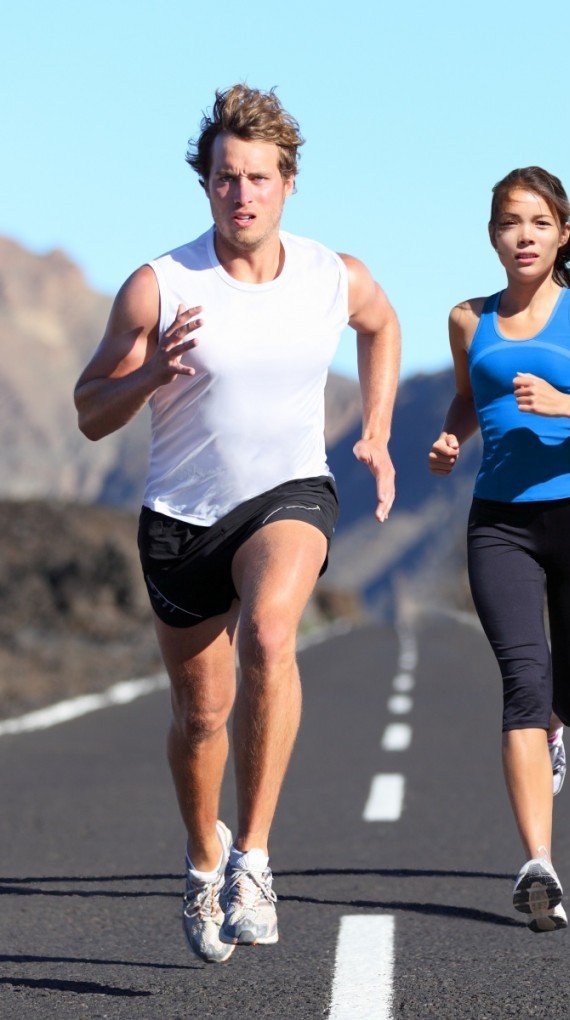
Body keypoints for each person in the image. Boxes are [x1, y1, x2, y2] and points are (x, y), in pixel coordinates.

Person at [74, 84, 400, 963]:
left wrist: (373, 428)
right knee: (201, 716)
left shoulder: (334, 275)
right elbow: (89, 409)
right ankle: (202, 853)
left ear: (288, 184)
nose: (242, 194)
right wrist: (148, 378)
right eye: (226, 178)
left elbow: (382, 323)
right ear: (206, 184)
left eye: (258, 177)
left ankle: (253, 855)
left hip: (289, 493)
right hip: (181, 519)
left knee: (268, 634)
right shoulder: (161, 285)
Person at [429, 167, 570, 933]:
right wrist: (453, 435)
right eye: (506, 223)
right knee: (522, 680)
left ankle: (561, 727)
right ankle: (539, 866)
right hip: (500, 523)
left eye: (536, 222)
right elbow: (470, 393)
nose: (521, 236)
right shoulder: (468, 319)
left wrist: (567, 405)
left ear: (561, 233)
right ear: (491, 235)